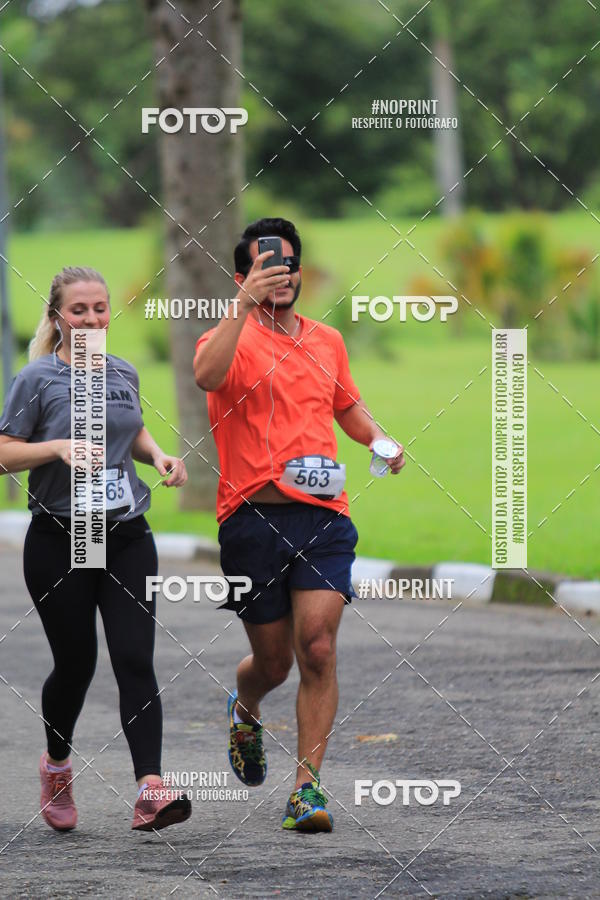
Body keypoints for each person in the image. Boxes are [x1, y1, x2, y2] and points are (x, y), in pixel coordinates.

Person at [193, 218, 405, 832]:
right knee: (273, 663)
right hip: (250, 518)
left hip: (323, 516)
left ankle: (307, 790)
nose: (278, 275)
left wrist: (379, 438)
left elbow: (346, 404)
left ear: (300, 272)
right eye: (264, 267)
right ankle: (247, 704)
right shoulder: (227, 337)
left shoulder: (326, 341)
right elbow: (206, 376)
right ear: (242, 276)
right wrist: (243, 304)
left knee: (316, 648)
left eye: (286, 265)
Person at [0, 266, 192, 833]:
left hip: (125, 530)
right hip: (61, 535)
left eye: (100, 308)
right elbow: (5, 452)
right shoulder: (35, 378)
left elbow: (128, 429)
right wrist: (56, 447)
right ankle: (57, 765)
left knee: (134, 657)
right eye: (79, 310)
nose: (91, 319)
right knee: (76, 662)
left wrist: (158, 457)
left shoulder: (122, 371)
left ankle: (150, 788)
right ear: (58, 316)